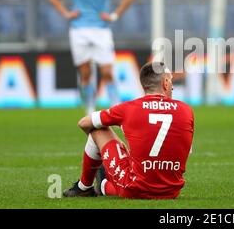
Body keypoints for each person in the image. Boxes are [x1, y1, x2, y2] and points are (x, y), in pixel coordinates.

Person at [63, 62, 195, 199]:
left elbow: (83, 123)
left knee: (97, 129)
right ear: (166, 83)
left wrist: (101, 148)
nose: (172, 87)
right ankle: (103, 184)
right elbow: (186, 151)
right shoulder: (186, 111)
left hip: (134, 188)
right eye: (171, 81)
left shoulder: (129, 108)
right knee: (119, 182)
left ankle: (84, 187)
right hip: (171, 192)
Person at [49, 0, 136, 114]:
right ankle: (89, 110)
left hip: (101, 29)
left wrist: (114, 15)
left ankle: (116, 110)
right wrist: (66, 13)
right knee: (85, 73)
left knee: (107, 72)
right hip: (78, 29)